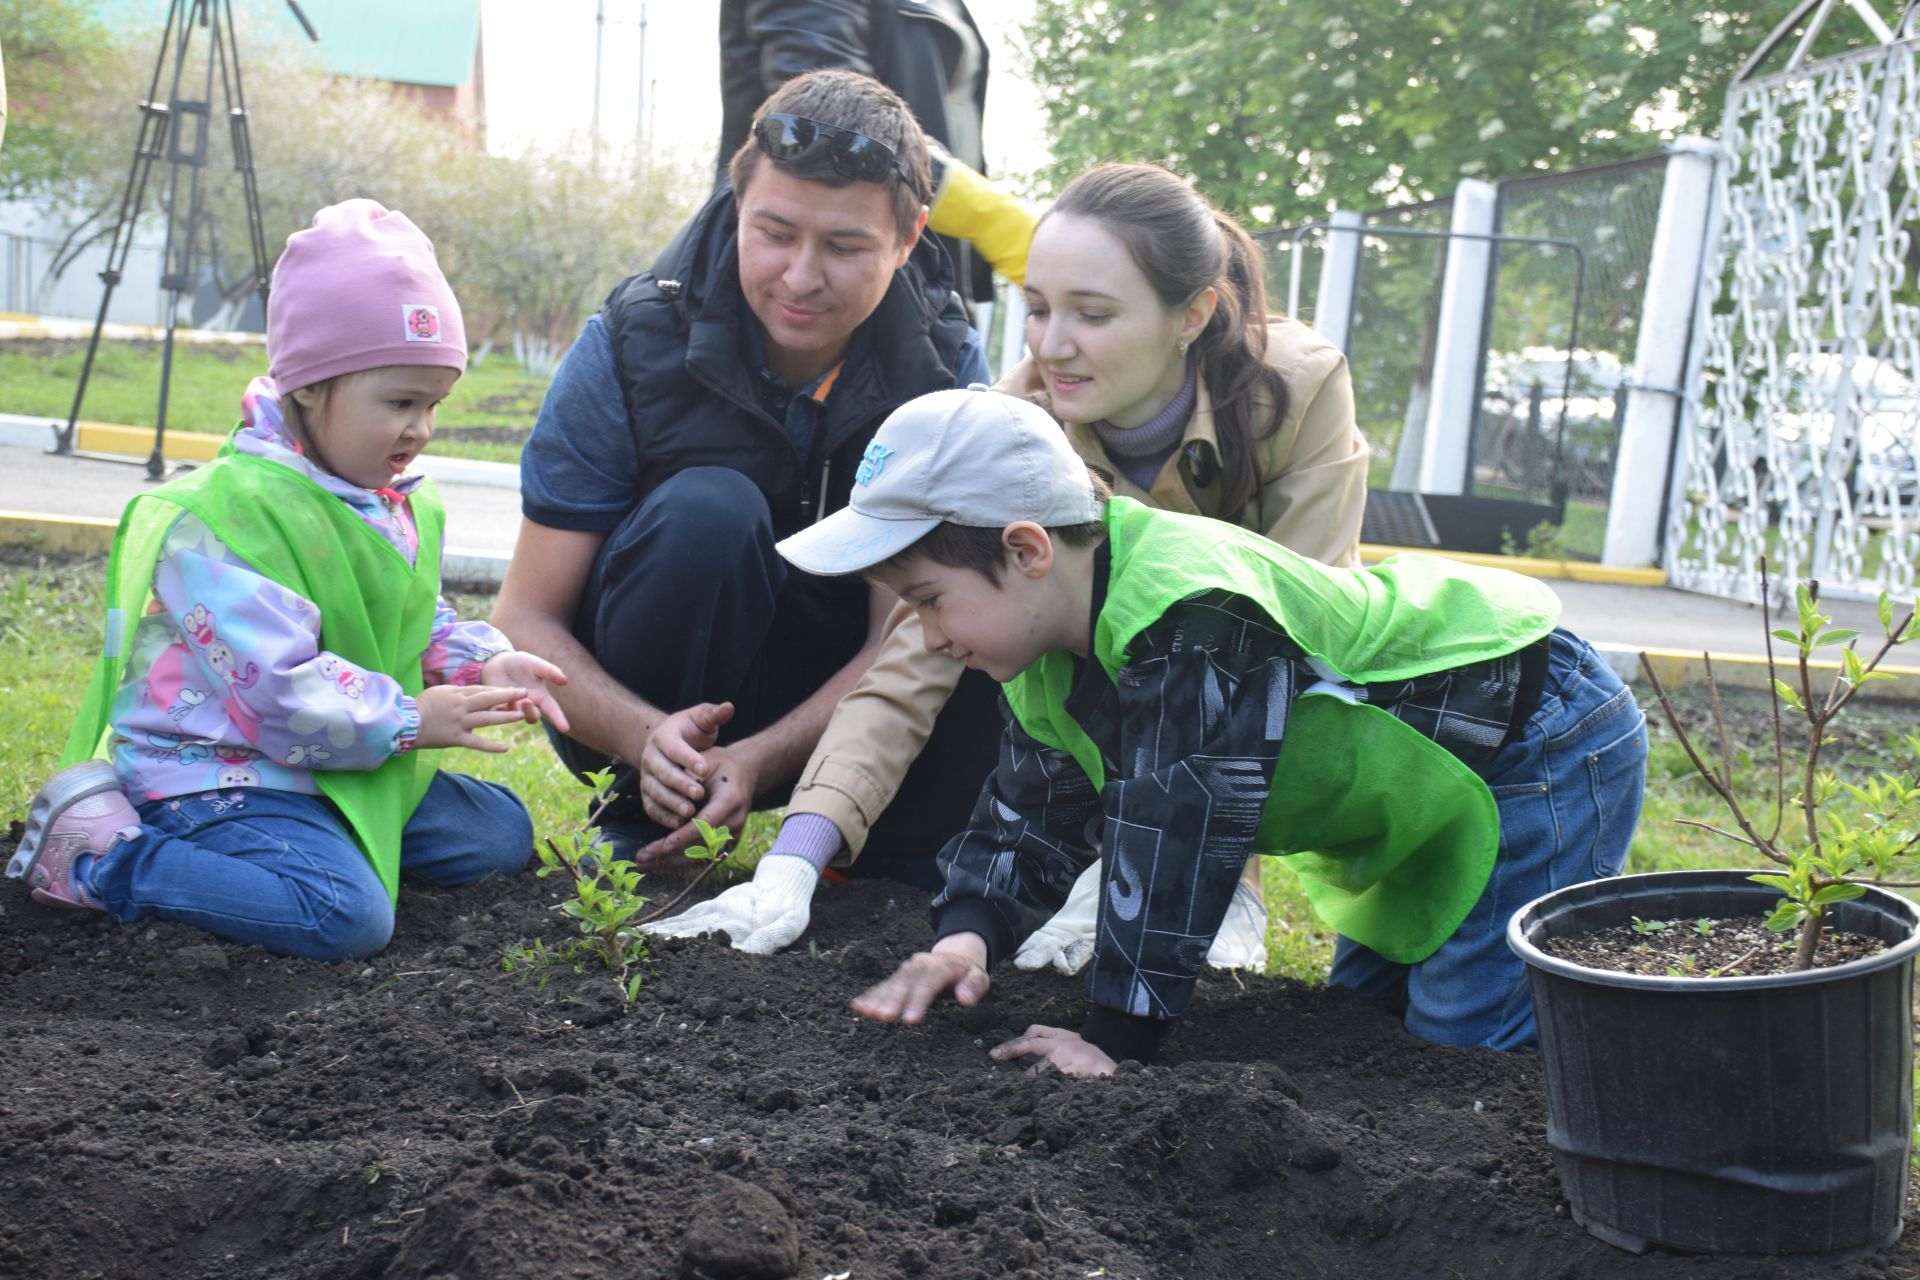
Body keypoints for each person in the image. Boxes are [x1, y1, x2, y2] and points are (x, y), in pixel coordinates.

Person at [778, 387, 1648, 1074]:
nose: (928, 635)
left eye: (930, 601)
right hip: (1419, 785)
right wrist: (964, 937)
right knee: (1365, 1023)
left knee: (1461, 1047)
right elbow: (1030, 813)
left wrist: (1115, 1040)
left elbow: (1178, 835)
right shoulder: (1042, 650)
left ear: (1028, 549)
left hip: (1533, 732)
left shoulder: (1189, 612)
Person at [645, 163, 1368, 971]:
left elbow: (1297, 633)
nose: (1053, 345)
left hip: (1257, 738)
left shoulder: (1295, 391)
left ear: (1193, 313)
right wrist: (796, 857)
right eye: (1037, 309)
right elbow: (909, 658)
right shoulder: (1017, 419)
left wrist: (1189, 869)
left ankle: (1212, 883)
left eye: (1092, 315)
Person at [6, 200, 564, 961]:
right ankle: (103, 857)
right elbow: (277, 690)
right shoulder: (227, 517)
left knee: (498, 831)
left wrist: (481, 662)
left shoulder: (383, 499)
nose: (421, 429)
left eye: (434, 404)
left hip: (334, 754)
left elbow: (407, 615)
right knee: (345, 916)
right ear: (310, 384)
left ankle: (312, 842)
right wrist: (409, 720)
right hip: (219, 770)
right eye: (399, 402)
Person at [491, 69, 991, 870]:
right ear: (735, 205)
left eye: (845, 246)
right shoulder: (630, 339)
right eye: (775, 232)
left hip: (844, 704)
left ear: (907, 240)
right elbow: (526, 616)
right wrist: (643, 735)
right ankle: (644, 809)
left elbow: (900, 641)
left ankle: (875, 844)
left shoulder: (945, 373)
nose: (800, 276)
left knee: (989, 599)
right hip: (648, 697)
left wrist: (760, 758)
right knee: (708, 509)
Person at [716, 0, 995, 306]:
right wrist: (994, 219)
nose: (801, 281)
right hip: (773, 293)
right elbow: (831, 110)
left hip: (918, 273)